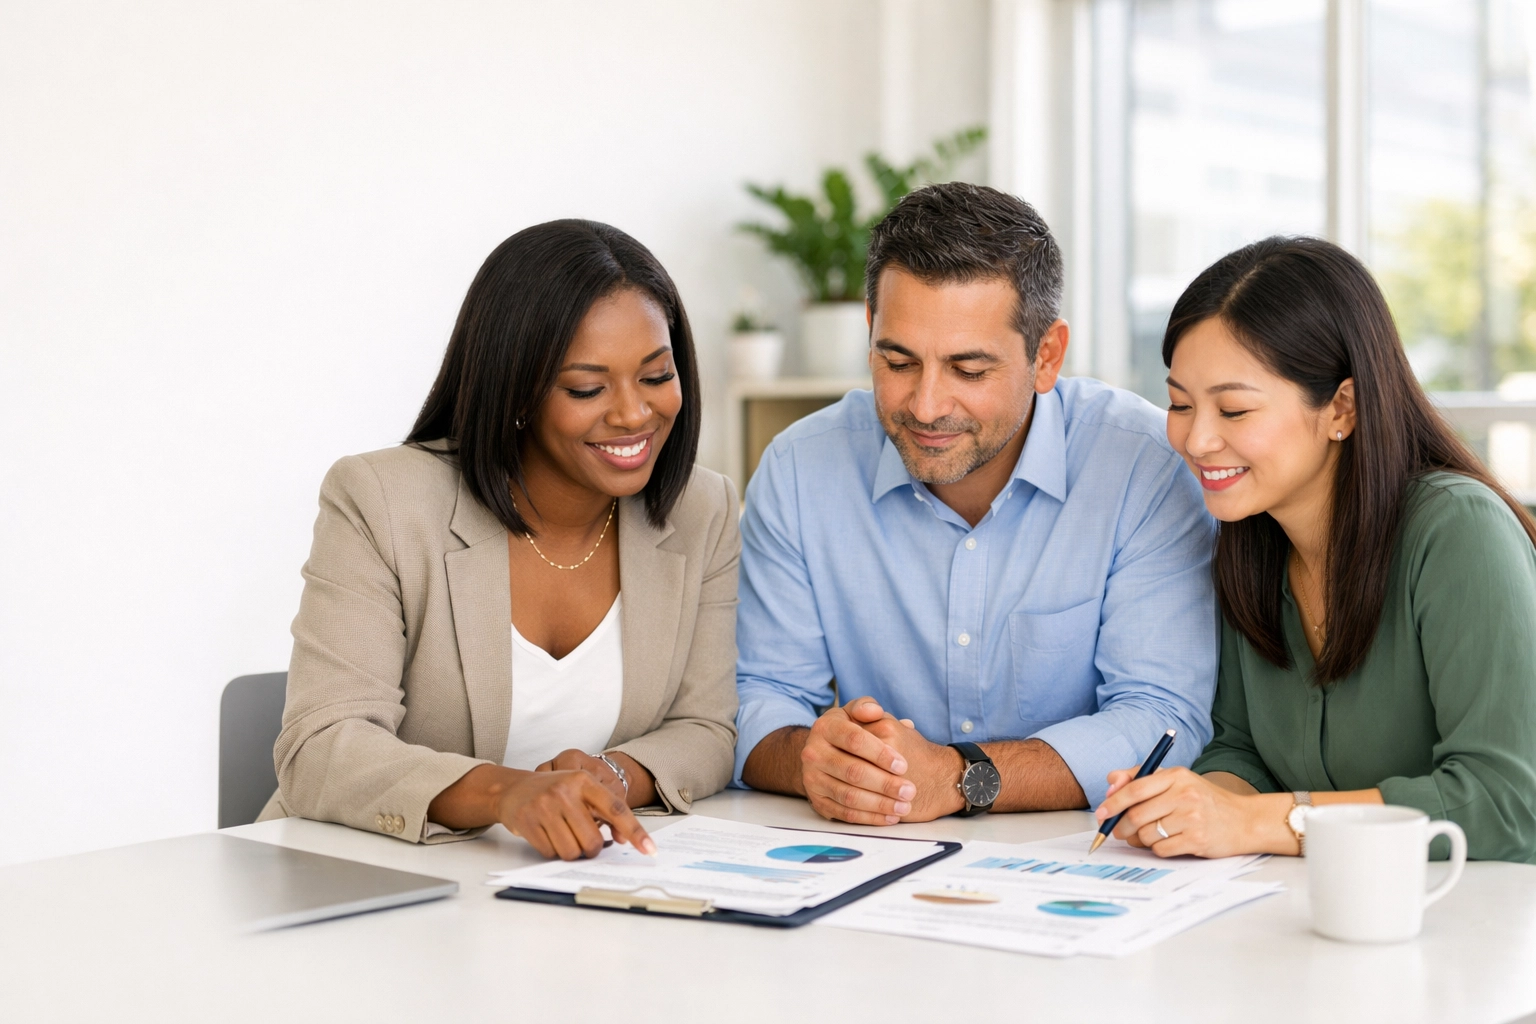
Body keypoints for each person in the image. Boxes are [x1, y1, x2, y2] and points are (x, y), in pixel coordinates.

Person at [735, 182, 1219, 824]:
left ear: (1046, 356)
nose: (927, 405)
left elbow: (1162, 717)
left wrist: (962, 777)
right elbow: (761, 698)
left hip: (1075, 867)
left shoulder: (1143, 465)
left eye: (969, 370)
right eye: (898, 361)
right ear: (870, 328)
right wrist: (817, 762)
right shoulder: (799, 469)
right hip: (867, 860)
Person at [259, 220, 741, 860]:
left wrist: (616, 774)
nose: (633, 414)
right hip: (370, 880)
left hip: (562, 891)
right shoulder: (379, 498)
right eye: (587, 388)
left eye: (656, 376)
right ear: (515, 390)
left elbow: (705, 727)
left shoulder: (702, 509)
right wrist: (504, 794)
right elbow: (322, 743)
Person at [1095, 236, 1536, 863]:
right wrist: (1188, 808)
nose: (1196, 440)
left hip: (1473, 928)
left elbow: (1504, 802)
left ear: (1341, 408)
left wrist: (1255, 823)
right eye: (1180, 403)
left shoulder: (1460, 532)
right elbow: (1238, 747)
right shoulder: (1247, 537)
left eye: (1235, 409)